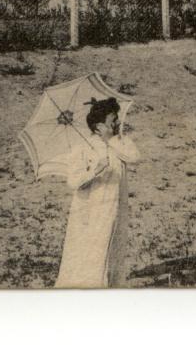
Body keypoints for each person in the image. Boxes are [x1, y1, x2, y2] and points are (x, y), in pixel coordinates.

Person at [55, 97, 141, 288]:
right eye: (113, 121)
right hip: (91, 209)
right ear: (99, 125)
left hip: (116, 207)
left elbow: (134, 157)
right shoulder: (83, 147)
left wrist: (110, 140)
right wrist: (95, 171)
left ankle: (110, 288)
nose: (118, 123)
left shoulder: (120, 142)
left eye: (117, 119)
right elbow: (73, 181)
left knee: (113, 248)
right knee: (91, 248)